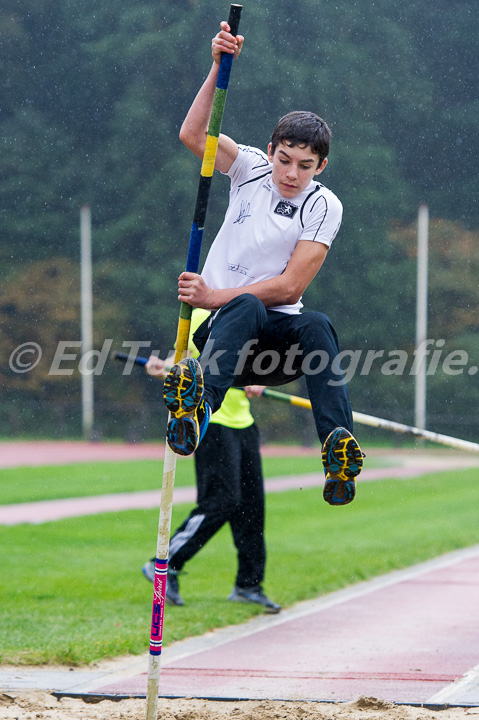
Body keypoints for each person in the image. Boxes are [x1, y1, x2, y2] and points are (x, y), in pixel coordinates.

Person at [163, 20, 364, 507]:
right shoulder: (249, 167)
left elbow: (291, 288)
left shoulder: (324, 205)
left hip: (274, 349)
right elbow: (193, 132)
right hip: (224, 337)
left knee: (316, 323)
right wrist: (217, 66)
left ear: (321, 167)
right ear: (271, 151)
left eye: (305, 165)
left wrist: (211, 294)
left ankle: (336, 450)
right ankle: (196, 414)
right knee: (247, 306)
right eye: (285, 159)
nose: (291, 173)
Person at [142, 308, 281, 614]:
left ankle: (249, 584)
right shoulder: (200, 315)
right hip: (211, 422)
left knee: (251, 506)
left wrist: (258, 377)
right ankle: (164, 564)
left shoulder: (249, 313)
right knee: (222, 500)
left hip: (243, 422)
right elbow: (188, 365)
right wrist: (163, 368)